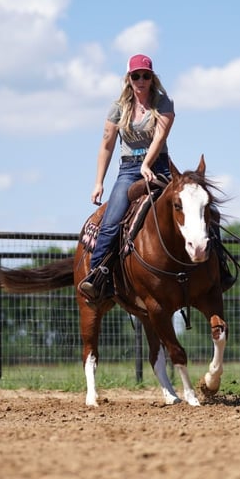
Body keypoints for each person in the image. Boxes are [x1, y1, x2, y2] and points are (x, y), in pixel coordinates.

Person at [78, 54, 175, 302]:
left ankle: (218, 269)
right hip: (128, 170)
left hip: (160, 166)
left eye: (145, 75)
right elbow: (107, 145)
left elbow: (159, 138)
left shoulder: (163, 103)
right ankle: (97, 276)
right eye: (136, 76)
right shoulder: (118, 108)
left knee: (194, 204)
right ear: (128, 79)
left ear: (152, 79)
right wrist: (99, 182)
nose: (141, 80)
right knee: (111, 220)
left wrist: (147, 163)